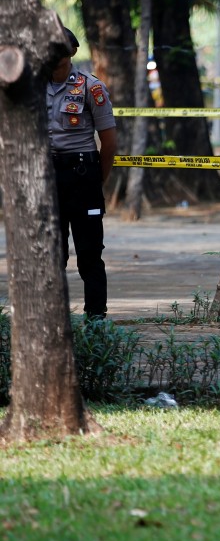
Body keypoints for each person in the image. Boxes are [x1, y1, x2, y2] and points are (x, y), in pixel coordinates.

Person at [48, 26, 118, 320]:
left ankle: (96, 318)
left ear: (73, 53)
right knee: (52, 254)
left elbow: (109, 140)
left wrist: (95, 180)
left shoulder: (91, 87)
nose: (55, 65)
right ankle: (52, 318)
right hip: (46, 175)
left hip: (82, 173)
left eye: (61, 59)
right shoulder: (29, 87)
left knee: (89, 254)